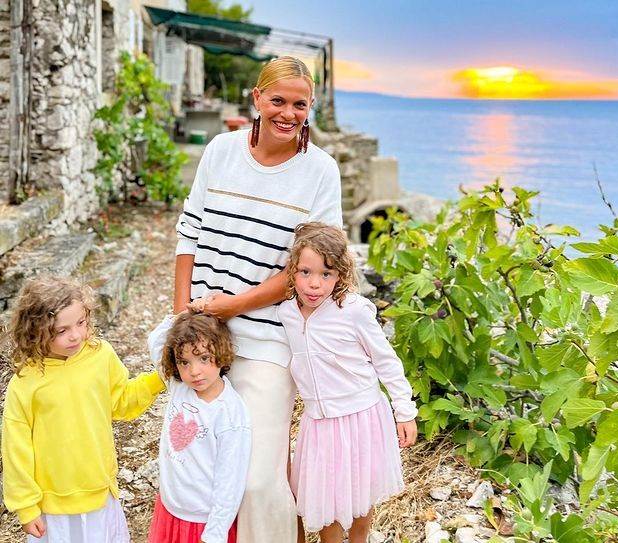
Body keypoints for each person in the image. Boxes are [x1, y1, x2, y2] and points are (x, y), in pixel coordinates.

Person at [174, 56, 342, 543]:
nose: (288, 114)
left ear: (311, 107)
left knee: (257, 478)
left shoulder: (321, 171)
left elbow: (310, 268)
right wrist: (182, 316)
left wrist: (232, 306)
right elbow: (189, 232)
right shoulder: (221, 151)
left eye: (300, 105)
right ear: (257, 98)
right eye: (278, 101)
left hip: (268, 340)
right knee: (204, 462)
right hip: (202, 335)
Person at [277, 223, 418, 543]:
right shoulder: (286, 314)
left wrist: (404, 411)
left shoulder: (353, 310)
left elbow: (386, 361)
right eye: (305, 272)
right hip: (319, 424)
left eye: (326, 274)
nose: (314, 283)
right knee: (326, 498)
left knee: (360, 493)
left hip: (361, 417)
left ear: (340, 275)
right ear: (292, 270)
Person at [1, 276, 165, 543]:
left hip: (100, 492)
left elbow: (122, 402)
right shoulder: (25, 382)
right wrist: (26, 506)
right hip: (53, 509)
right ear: (35, 330)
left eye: (81, 322)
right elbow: (16, 449)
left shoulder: (100, 355)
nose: (76, 335)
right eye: (61, 330)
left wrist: (159, 379)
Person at [146, 312, 251, 543]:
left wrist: (214, 532)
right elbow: (155, 341)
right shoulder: (178, 386)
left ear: (221, 353)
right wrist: (182, 317)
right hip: (170, 506)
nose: (194, 371)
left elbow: (230, 479)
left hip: (202, 520)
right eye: (184, 362)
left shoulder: (229, 413)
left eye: (204, 358)